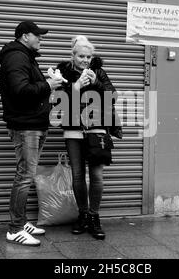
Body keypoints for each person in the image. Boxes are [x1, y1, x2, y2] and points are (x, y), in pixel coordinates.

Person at [0, 20, 63, 246]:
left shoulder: (25, 57)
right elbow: (21, 91)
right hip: (26, 126)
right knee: (24, 177)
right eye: (38, 36)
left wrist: (46, 79)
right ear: (25, 36)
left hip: (33, 124)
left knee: (26, 174)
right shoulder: (16, 57)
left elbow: (27, 86)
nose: (41, 39)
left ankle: (22, 222)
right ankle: (15, 229)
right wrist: (49, 85)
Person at [55, 35, 117, 240]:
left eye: (89, 56)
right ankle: (82, 214)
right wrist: (76, 86)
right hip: (73, 128)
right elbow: (57, 99)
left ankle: (94, 216)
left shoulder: (98, 71)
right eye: (81, 56)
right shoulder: (63, 72)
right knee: (78, 175)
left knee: (97, 175)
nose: (85, 60)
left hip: (96, 128)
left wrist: (96, 82)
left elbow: (112, 95)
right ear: (73, 56)